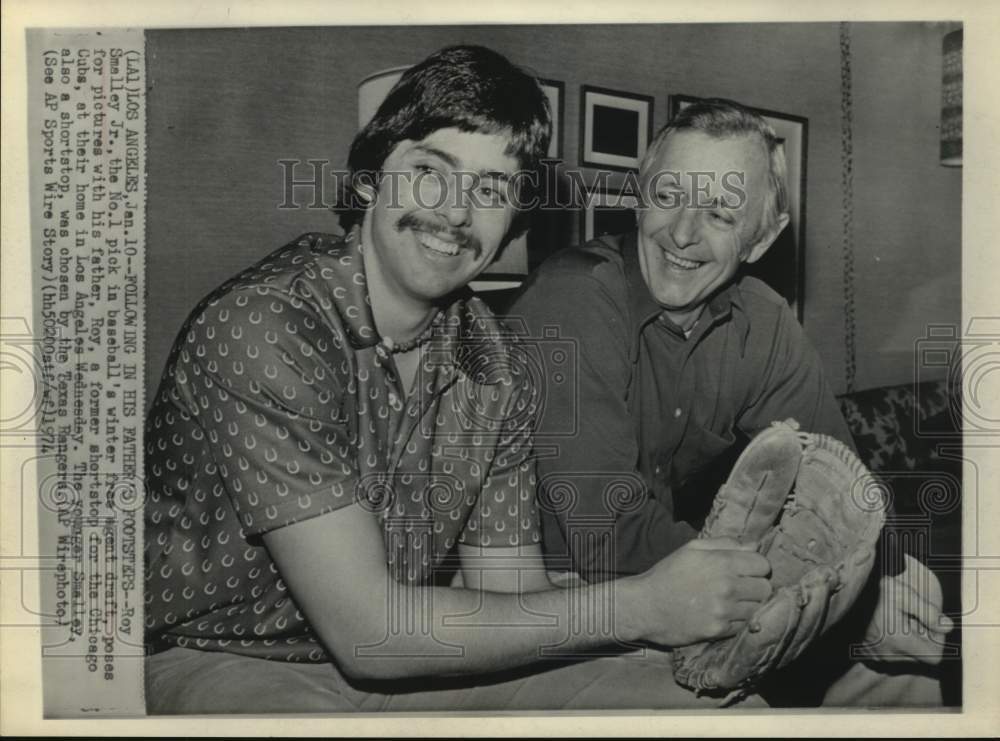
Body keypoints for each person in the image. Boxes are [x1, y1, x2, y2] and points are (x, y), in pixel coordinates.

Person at [143, 48, 776, 713]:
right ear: (368, 180)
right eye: (429, 173)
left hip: (416, 654)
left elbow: (509, 597)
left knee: (716, 707)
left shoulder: (493, 363)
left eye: (492, 189)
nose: (454, 212)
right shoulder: (265, 325)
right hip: (219, 655)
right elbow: (370, 632)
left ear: (513, 221)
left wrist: (688, 607)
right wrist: (640, 605)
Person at [508, 97, 954, 706]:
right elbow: (603, 532)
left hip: (683, 581)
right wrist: (821, 603)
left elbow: (841, 481)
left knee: (906, 683)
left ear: (762, 237)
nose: (683, 233)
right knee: (735, 710)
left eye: (720, 213)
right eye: (668, 197)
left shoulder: (763, 322)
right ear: (640, 192)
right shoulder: (574, 299)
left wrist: (888, 579)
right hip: (558, 602)